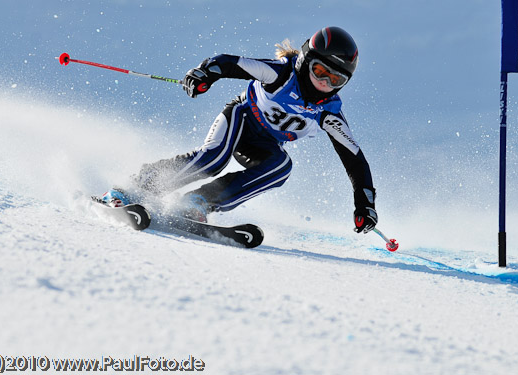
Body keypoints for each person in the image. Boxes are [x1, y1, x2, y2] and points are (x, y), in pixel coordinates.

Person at [103, 26, 378, 234]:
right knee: (213, 159)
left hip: (263, 144)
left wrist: (365, 205)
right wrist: (203, 74)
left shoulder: (329, 111)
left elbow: (354, 159)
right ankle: (133, 188)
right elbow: (229, 62)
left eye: (335, 79)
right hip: (241, 117)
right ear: (305, 61)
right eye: (320, 71)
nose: (324, 83)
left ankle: (197, 203)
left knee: (281, 167)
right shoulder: (281, 74)